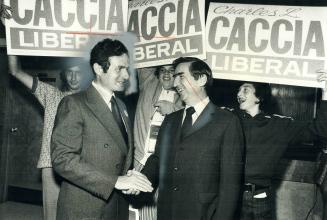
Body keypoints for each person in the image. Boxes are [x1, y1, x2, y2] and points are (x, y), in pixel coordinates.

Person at [51, 38, 153, 220]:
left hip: (115, 207)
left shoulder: (121, 105)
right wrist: (115, 181)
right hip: (85, 208)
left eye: (127, 68)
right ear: (98, 69)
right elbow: (62, 159)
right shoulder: (74, 104)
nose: (126, 76)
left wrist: (129, 178)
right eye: (119, 69)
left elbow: (121, 154)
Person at [141, 57, 244, 220]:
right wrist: (139, 181)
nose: (175, 83)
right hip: (167, 213)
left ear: (201, 79)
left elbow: (230, 186)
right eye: (175, 77)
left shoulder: (227, 122)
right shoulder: (170, 120)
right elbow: (157, 160)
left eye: (181, 76)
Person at [7, 55, 92, 220]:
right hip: (51, 165)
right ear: (64, 74)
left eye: (78, 73)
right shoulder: (51, 94)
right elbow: (15, 71)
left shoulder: (90, 101)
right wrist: (12, 41)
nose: (73, 78)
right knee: (51, 216)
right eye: (70, 73)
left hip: (79, 166)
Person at [234, 72, 327, 220]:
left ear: (259, 97)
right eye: (238, 90)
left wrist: (326, 93)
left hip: (260, 198)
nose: (238, 94)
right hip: (230, 196)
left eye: (245, 89)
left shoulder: (279, 125)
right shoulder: (228, 119)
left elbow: (321, 129)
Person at [133, 65, 183, 219]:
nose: (167, 74)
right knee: (143, 210)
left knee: (165, 210)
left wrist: (173, 109)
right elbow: (145, 57)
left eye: (171, 70)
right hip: (142, 160)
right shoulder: (148, 83)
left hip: (168, 164)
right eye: (163, 70)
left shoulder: (184, 97)